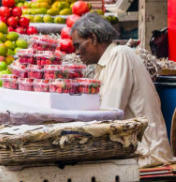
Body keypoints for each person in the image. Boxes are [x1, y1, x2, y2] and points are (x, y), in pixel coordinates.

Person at [71, 12, 174, 166]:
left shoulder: (120, 55)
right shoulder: (104, 65)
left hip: (147, 154)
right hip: (134, 151)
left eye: (78, 45)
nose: (77, 52)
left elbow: (110, 113)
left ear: (92, 38)